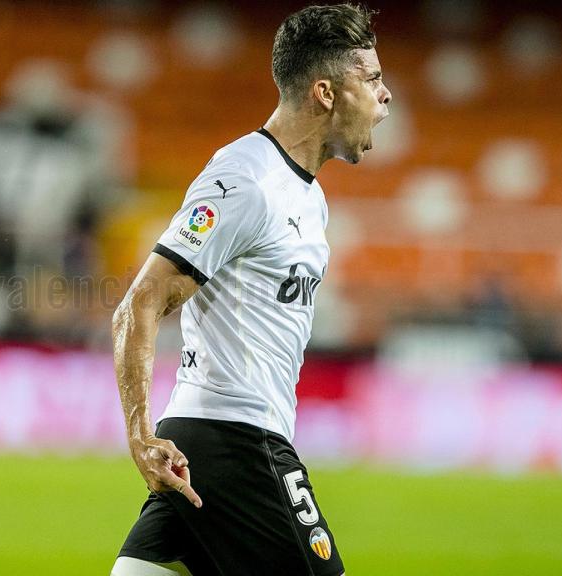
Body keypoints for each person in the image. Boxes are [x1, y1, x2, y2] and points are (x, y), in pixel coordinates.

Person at [110, 4, 391, 576]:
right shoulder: (247, 180)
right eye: (372, 78)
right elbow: (141, 303)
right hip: (237, 440)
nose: (385, 96)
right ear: (326, 92)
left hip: (205, 443)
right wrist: (138, 435)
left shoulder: (307, 197)